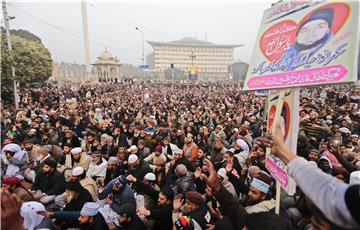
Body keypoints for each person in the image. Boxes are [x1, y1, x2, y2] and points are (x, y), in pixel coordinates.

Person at [263, 122, 360, 228]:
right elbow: (332, 192)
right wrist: (281, 150)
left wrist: (282, 151)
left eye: (318, 227)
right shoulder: (351, 201)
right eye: (314, 225)